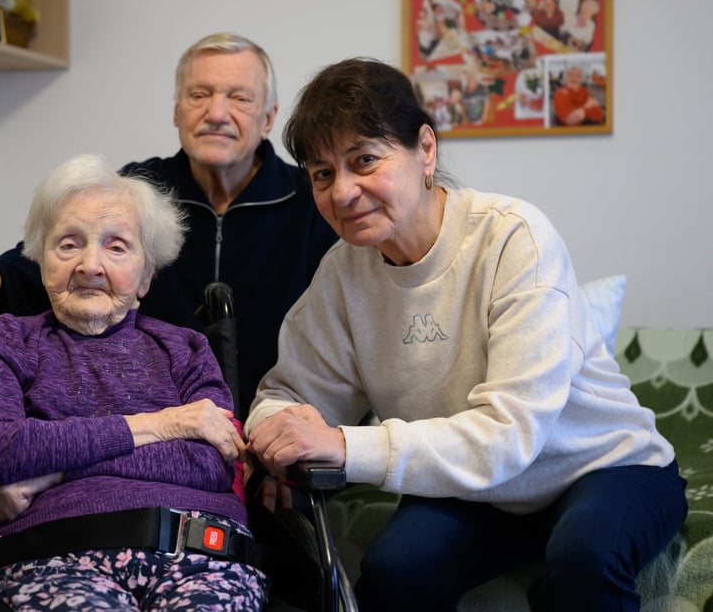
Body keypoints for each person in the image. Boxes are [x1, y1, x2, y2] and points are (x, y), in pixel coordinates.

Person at [244, 57, 687, 611]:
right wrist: (277, 439)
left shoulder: (512, 237)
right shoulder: (343, 274)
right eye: (322, 173)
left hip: (601, 467)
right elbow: (285, 395)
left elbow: (511, 434)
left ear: (425, 150)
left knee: (585, 560)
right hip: (479, 492)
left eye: (365, 160)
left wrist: (340, 444)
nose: (344, 192)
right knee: (392, 571)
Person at [0, 32, 337, 413]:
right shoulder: (137, 192)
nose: (216, 113)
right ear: (176, 112)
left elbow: (337, 346)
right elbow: (67, 258)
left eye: (239, 98)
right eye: (199, 95)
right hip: (152, 429)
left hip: (276, 427)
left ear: (268, 116)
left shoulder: (312, 203)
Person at [0, 152, 267, 610]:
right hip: (55, 552)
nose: (90, 264)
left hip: (202, 552)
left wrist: (52, 472)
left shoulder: (185, 348)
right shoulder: (4, 341)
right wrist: (164, 424)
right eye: (68, 244)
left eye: (116, 246)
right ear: (40, 260)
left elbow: (213, 463)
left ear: (146, 276)